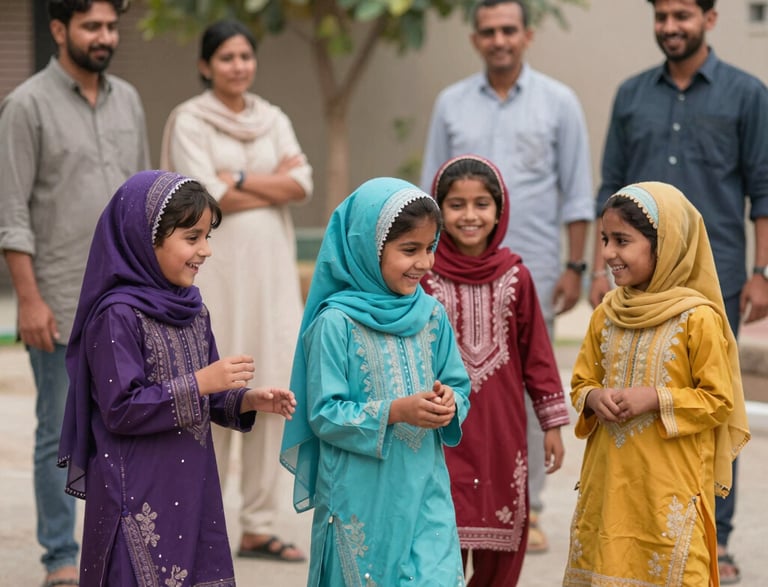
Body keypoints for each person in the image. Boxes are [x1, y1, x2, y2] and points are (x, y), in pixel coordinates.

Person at [589, 1, 768, 581]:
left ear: (710, 19)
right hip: (635, 283)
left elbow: (763, 190)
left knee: (711, 395)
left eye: (682, 15)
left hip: (716, 280)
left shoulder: (747, 94)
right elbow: (609, 186)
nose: (670, 26)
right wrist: (602, 264)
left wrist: (764, 272)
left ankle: (714, 536)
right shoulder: (631, 94)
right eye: (662, 15)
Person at [56, 169, 297, 586]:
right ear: (143, 240)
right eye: (191, 238)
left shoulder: (191, 308)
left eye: (208, 237)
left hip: (190, 490)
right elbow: (122, 410)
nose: (205, 251)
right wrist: (203, 382)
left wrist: (248, 400)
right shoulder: (116, 315)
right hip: (133, 496)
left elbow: (211, 394)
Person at [420, 0, 593, 552]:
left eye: (509, 30)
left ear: (528, 35)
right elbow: (430, 189)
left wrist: (575, 265)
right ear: (475, 39)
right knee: (448, 377)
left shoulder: (559, 102)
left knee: (519, 382)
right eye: (488, 31)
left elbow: (577, 190)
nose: (499, 39)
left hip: (533, 264)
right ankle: (448, 499)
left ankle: (525, 506)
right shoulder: (450, 103)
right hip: (448, 268)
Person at [0, 1, 150, 584]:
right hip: (59, 299)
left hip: (128, 299)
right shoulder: (25, 106)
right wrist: (29, 300)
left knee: (129, 423)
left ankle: (121, 545)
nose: (105, 37)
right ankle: (60, 557)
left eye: (111, 26)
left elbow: (144, 200)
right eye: (92, 26)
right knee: (56, 430)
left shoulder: (130, 101)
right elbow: (11, 213)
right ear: (60, 30)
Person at [160, 19, 312, 562]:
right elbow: (205, 196)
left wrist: (240, 179)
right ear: (206, 65)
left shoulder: (272, 117)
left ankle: (259, 524)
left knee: (272, 389)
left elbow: (303, 184)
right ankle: (203, 518)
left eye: (245, 56)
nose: (238, 66)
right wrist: (264, 183)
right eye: (226, 57)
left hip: (269, 275)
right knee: (215, 389)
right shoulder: (190, 119)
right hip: (214, 275)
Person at [279, 177, 472, 585]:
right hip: (359, 496)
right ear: (367, 247)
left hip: (424, 489)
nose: (424, 262)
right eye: (409, 250)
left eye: (430, 248)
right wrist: (396, 411)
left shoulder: (432, 316)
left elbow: (458, 382)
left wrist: (450, 401)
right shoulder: (334, 324)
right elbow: (323, 414)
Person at [564, 181, 750, 585]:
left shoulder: (698, 318)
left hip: (669, 493)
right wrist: (594, 397)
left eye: (622, 241)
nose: (609, 253)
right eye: (605, 239)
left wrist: (655, 398)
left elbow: (719, 400)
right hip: (607, 487)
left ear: (664, 245)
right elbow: (581, 381)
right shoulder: (607, 313)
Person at [421, 155, 568, 585]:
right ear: (438, 210)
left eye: (482, 204)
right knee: (439, 540)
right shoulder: (423, 276)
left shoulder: (517, 277)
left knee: (502, 533)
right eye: (456, 205)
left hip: (502, 433)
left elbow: (538, 355)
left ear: (500, 212)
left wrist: (553, 425)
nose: (470, 216)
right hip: (439, 428)